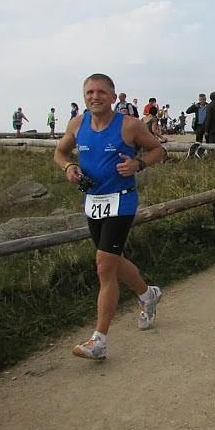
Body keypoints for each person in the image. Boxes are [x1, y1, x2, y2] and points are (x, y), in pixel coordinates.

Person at [54, 73, 165, 360]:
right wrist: (68, 167)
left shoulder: (129, 125)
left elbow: (158, 150)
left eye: (101, 92)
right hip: (93, 201)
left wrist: (138, 164)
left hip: (122, 200)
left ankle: (99, 340)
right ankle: (148, 294)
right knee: (112, 262)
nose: (95, 97)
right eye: (90, 92)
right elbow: (60, 153)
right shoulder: (77, 124)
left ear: (113, 97)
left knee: (104, 266)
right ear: (84, 97)